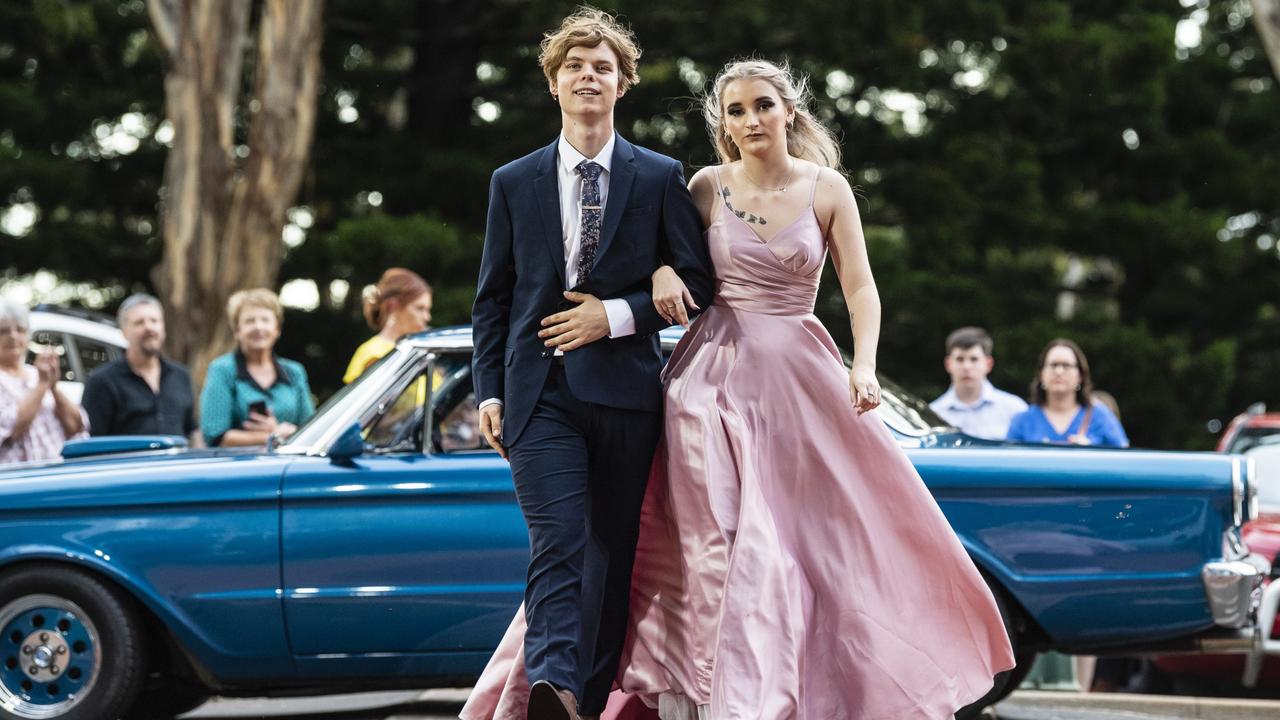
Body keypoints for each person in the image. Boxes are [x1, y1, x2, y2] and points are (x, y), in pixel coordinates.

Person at [465, 57, 1014, 720]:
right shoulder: (701, 186)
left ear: (789, 112)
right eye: (736, 111)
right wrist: (666, 272)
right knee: (715, 545)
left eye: (762, 106)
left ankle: (792, 691)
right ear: (722, 125)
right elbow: (663, 252)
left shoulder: (827, 189)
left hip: (801, 381)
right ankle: (695, 693)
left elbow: (861, 287)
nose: (751, 120)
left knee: (820, 544)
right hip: (712, 385)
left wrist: (863, 365)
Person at [467, 7, 714, 719]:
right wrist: (489, 391)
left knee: (611, 553)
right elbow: (494, 298)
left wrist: (618, 312)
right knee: (558, 539)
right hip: (536, 392)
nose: (587, 76)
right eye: (574, 65)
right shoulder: (512, 181)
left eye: (602, 66)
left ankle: (588, 696)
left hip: (626, 396)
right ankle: (553, 682)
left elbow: (699, 285)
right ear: (554, 83)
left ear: (621, 84)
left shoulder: (661, 175)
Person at [81, 294, 201, 446]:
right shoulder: (101, 382)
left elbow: (192, 431)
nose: (149, 327)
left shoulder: (181, 376)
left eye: (154, 321)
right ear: (124, 332)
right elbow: (93, 444)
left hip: (177, 467)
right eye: (139, 323)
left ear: (163, 327)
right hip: (128, 468)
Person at [199, 289, 314, 447]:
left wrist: (282, 432)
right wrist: (272, 435)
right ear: (237, 331)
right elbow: (214, 435)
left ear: (277, 330)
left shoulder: (295, 372)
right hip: (240, 466)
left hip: (289, 464)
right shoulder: (222, 369)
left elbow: (310, 428)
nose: (258, 326)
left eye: (265, 320)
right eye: (250, 321)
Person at [0, 300, 87, 463]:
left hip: (57, 472)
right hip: (16, 478)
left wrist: (53, 387)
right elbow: (11, 429)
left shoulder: (37, 373)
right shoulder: (39, 379)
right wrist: (41, 386)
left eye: (20, 330)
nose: (13, 336)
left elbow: (77, 426)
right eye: (3, 331)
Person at [1006, 338, 1129, 447]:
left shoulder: (1100, 416)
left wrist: (1092, 453)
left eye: (1066, 365)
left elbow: (1124, 461)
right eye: (1053, 365)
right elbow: (1008, 465)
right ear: (1041, 374)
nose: (1059, 371)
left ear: (1080, 375)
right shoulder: (1022, 421)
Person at [929, 326, 1028, 439]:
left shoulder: (1014, 409)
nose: (966, 367)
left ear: (988, 364)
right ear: (948, 364)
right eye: (960, 359)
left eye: (974, 359)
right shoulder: (934, 414)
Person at [343, 268, 433, 384]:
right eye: (420, 308)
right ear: (393, 306)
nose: (427, 317)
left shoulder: (416, 349)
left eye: (428, 310)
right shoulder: (374, 354)